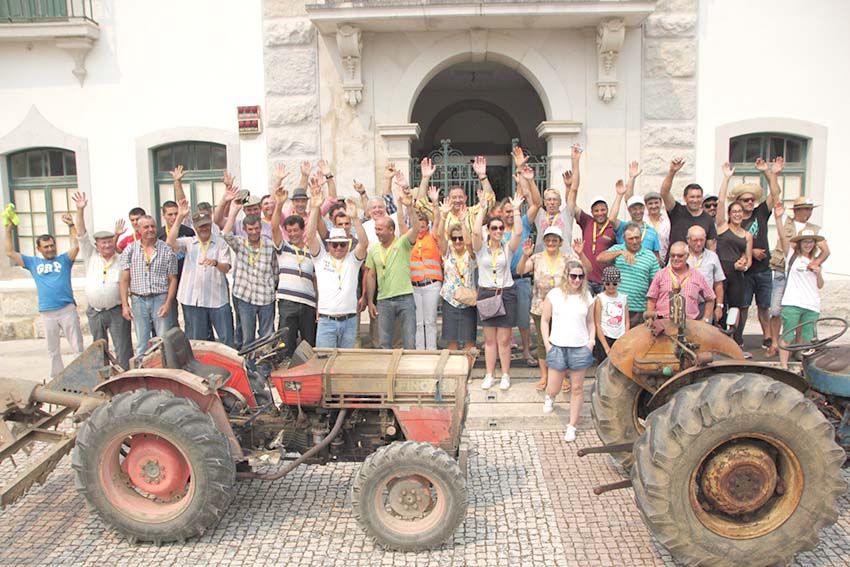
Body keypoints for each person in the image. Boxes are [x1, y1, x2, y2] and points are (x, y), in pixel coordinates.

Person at [5, 211, 83, 377]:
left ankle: (80, 375)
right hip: (47, 311)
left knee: (77, 346)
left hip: (67, 308)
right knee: (53, 349)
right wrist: (8, 229)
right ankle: (57, 378)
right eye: (46, 246)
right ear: (39, 248)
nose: (50, 249)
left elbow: (76, 246)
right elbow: (9, 252)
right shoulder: (33, 262)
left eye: (52, 245)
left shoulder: (64, 260)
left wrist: (71, 226)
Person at [516, 227, 589, 390]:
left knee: (562, 342)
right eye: (548, 240)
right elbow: (520, 270)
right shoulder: (537, 257)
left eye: (555, 240)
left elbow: (587, 270)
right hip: (540, 306)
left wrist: (581, 254)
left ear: (560, 242)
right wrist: (525, 255)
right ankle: (544, 376)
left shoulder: (568, 258)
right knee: (543, 342)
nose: (551, 243)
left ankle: (562, 377)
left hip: (562, 307)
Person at [724, 158, 783, 352]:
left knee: (764, 306)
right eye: (745, 200)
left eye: (751, 199)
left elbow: (775, 194)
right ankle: (738, 337)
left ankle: (766, 336)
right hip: (745, 272)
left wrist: (768, 173)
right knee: (743, 305)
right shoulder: (736, 220)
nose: (750, 203)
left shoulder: (761, 213)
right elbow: (732, 242)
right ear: (738, 203)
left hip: (763, 269)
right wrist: (750, 252)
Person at [73, 191, 132, 370]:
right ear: (97, 245)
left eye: (109, 242)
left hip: (116, 311)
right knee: (99, 347)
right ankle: (101, 376)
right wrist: (80, 210)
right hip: (95, 311)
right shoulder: (91, 256)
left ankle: (124, 377)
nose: (106, 245)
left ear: (114, 242)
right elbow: (81, 234)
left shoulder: (121, 258)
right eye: (102, 243)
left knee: (123, 347)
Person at [472, 194, 524, 391]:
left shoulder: (506, 248)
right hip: (486, 293)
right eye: (494, 228)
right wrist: (482, 209)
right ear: (489, 230)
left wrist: (517, 210)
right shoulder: (480, 249)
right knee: (489, 339)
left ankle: (505, 374)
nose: (498, 231)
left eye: (501, 228)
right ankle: (489, 374)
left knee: (504, 339)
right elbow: (476, 232)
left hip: (505, 293)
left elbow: (518, 234)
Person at [766, 196, 829, 357]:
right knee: (776, 309)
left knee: (804, 312)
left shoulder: (815, 229)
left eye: (810, 208)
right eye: (805, 208)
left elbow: (825, 251)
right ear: (797, 210)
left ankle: (799, 349)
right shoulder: (788, 222)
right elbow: (782, 236)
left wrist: (816, 263)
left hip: (804, 275)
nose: (808, 211)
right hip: (783, 269)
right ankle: (775, 343)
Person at [165, 199, 234, 347]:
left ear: (211, 225)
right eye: (201, 226)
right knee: (196, 341)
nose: (204, 229)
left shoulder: (220, 243)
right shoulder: (189, 242)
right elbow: (170, 243)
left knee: (226, 339)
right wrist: (179, 218)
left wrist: (215, 263)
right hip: (192, 299)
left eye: (207, 225)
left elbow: (226, 267)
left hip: (217, 298)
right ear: (195, 228)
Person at [540, 260, 595, 443]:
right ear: (566, 276)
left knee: (577, 388)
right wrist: (547, 344)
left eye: (580, 276)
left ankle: (572, 425)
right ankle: (550, 396)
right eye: (574, 276)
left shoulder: (587, 296)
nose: (577, 280)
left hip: (580, 347)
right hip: (558, 346)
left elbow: (591, 322)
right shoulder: (555, 295)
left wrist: (591, 341)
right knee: (553, 386)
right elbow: (544, 320)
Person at [306, 190, 369, 348]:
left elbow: (364, 243)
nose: (339, 247)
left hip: (350, 320)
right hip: (327, 321)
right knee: (324, 364)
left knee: (346, 367)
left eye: (342, 244)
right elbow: (310, 237)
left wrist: (354, 218)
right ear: (328, 245)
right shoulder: (321, 258)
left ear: (348, 244)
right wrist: (315, 209)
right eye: (335, 244)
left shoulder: (352, 260)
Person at [221, 188, 278, 347]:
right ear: (245, 230)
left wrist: (272, 287)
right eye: (250, 229)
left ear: (261, 228)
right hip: (245, 296)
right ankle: (249, 368)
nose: (254, 232)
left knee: (267, 336)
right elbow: (225, 234)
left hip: (266, 297)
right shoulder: (240, 243)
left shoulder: (269, 245)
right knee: (248, 337)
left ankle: (266, 367)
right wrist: (234, 210)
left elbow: (274, 269)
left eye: (257, 229)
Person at [365, 191, 420, 350]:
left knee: (409, 342)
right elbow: (371, 276)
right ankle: (386, 373)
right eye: (376, 229)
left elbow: (416, 228)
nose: (377, 232)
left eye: (380, 229)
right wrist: (370, 301)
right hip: (383, 301)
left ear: (391, 230)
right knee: (384, 344)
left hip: (405, 299)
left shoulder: (403, 243)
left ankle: (408, 373)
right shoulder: (374, 249)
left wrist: (409, 207)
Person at [119, 215, 178, 358]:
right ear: (138, 229)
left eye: (152, 226)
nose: (150, 230)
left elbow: (173, 279)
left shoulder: (167, 250)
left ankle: (164, 372)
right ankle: (142, 374)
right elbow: (124, 279)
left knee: (163, 340)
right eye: (146, 227)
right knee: (142, 343)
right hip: (138, 299)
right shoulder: (130, 250)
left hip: (160, 298)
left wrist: (168, 303)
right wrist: (125, 305)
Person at [272, 183, 317, 356]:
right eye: (289, 231)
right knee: (285, 343)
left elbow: (315, 279)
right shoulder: (283, 248)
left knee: (308, 345)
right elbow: (275, 227)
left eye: (295, 230)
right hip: (288, 303)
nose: (292, 234)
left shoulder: (311, 252)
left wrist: (318, 303)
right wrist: (279, 204)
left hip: (308, 303)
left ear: (301, 230)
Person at [505, 158, 542, 366]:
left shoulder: (525, 224)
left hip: (521, 280)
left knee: (523, 321)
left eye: (513, 211)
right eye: (507, 212)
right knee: (504, 320)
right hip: (502, 282)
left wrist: (525, 176)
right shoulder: (497, 230)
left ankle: (527, 351)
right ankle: (506, 352)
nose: (510, 214)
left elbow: (536, 203)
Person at [569, 151, 619, 294]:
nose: (600, 213)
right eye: (596, 210)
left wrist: (619, 195)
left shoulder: (612, 227)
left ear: (607, 209)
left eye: (603, 209)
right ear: (592, 212)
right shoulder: (587, 222)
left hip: (605, 281)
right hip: (586, 279)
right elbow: (572, 203)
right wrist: (575, 163)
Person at [596, 223, 660, 327]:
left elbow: (656, 284)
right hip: (617, 307)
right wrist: (620, 252)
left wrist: (650, 311)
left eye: (637, 238)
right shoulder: (617, 249)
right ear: (624, 238)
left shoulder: (650, 256)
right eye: (630, 239)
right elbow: (600, 258)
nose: (634, 242)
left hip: (638, 310)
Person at [435, 201, 477, 350]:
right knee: (451, 340)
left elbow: (469, 242)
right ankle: (454, 371)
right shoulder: (447, 252)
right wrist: (444, 216)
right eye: (454, 238)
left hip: (468, 301)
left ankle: (467, 370)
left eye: (460, 238)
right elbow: (439, 236)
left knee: (469, 341)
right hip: (450, 300)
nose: (458, 241)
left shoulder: (471, 254)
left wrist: (464, 222)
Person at [714, 197, 753, 352]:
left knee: (736, 308)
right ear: (729, 214)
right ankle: (720, 342)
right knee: (721, 308)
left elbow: (748, 259)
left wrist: (743, 266)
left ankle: (736, 341)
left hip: (737, 275)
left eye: (740, 212)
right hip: (722, 274)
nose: (737, 214)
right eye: (734, 211)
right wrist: (726, 178)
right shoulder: (723, 227)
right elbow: (721, 203)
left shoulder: (747, 235)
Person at [409, 187, 444, 350]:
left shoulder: (433, 237)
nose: (420, 229)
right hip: (414, 286)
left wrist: (435, 203)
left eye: (423, 226)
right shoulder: (409, 240)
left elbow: (437, 220)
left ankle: (431, 351)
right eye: (418, 226)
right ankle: (419, 352)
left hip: (431, 285)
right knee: (417, 321)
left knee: (430, 321)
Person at [646, 241, 716, 321]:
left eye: (680, 256)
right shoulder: (660, 274)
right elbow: (652, 299)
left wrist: (705, 319)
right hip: (663, 323)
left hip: (690, 324)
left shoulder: (697, 276)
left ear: (687, 256)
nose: (676, 258)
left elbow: (710, 298)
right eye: (673, 255)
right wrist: (650, 318)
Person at [660, 158, 717, 255]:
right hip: (676, 260)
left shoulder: (708, 219)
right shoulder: (677, 211)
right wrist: (672, 172)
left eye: (698, 197)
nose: (695, 200)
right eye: (692, 197)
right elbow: (664, 193)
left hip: (698, 264)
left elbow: (710, 246)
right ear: (685, 198)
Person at [527, 145, 577, 254]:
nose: (552, 202)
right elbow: (530, 197)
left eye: (555, 199)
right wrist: (530, 180)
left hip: (563, 261)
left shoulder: (566, 215)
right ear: (544, 202)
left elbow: (574, 191)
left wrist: (575, 161)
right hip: (542, 261)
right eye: (549, 200)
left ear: (560, 202)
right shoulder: (540, 215)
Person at [157, 198, 195, 328]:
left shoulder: (188, 232)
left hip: (186, 277)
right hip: (168, 279)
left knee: (190, 317)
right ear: (163, 215)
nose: (173, 217)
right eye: (170, 214)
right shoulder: (158, 234)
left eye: (176, 214)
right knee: (171, 317)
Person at [686, 225, 725, 322]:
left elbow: (718, 284)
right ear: (688, 240)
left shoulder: (712, 257)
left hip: (705, 305)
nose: (699, 244)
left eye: (702, 240)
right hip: (685, 305)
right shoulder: (679, 256)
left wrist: (719, 306)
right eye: (695, 240)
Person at [594, 266, 628, 361]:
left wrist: (624, 339)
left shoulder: (623, 298)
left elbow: (627, 321)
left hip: (620, 336)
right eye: (608, 283)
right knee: (603, 366)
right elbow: (598, 323)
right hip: (605, 336)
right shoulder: (599, 298)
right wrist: (605, 346)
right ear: (604, 282)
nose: (611, 286)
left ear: (619, 282)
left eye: (614, 283)